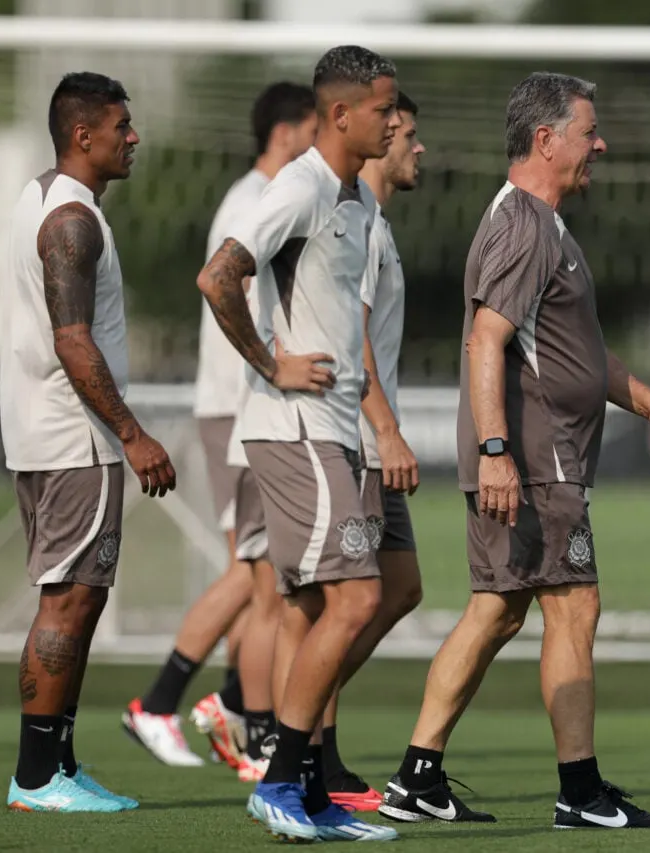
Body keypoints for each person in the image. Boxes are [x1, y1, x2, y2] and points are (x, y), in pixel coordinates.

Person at [377, 71, 650, 830]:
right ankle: (579, 791)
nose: (601, 145)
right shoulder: (522, 222)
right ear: (546, 140)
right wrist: (495, 450)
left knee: (497, 609)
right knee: (574, 604)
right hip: (534, 456)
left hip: (540, 455)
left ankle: (418, 775)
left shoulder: (546, 225)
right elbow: (488, 336)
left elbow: (582, 353)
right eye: (589, 131)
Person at [197, 44, 402, 843]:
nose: (394, 121)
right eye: (384, 109)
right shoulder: (304, 185)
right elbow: (219, 276)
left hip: (331, 430)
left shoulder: (356, 199)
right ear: (341, 113)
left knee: (311, 607)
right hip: (295, 431)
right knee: (359, 598)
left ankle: (309, 792)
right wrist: (270, 364)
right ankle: (280, 781)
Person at [122, 81, 317, 769]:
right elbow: (228, 290)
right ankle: (168, 702)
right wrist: (273, 370)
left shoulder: (267, 195)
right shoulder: (257, 201)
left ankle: (234, 705)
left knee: (264, 575)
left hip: (246, 406)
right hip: (241, 407)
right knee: (258, 572)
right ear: (289, 132)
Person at [1, 71, 176, 812]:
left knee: (79, 596)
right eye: (121, 126)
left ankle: (58, 764)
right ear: (83, 135)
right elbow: (73, 341)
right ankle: (37, 776)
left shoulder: (41, 197)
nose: (132, 137)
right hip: (78, 438)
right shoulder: (72, 221)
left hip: (44, 433)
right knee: (68, 603)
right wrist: (133, 435)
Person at [286, 89, 428, 812]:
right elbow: (356, 339)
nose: (417, 148)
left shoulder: (373, 222)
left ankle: (311, 743)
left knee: (400, 587)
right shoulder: (357, 226)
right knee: (343, 599)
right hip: (360, 436)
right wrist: (387, 429)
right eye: (407, 135)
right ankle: (308, 754)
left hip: (372, 435)